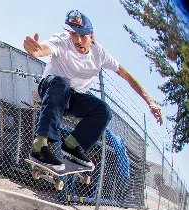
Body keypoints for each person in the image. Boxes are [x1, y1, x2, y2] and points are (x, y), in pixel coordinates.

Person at [23, 10, 163, 171]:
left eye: (83, 36)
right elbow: (43, 49)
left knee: (103, 110)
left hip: (74, 97)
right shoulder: (62, 41)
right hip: (51, 88)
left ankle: (71, 145)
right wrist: (36, 50)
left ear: (92, 37)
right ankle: (40, 146)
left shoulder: (100, 54)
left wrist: (150, 102)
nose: (79, 41)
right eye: (74, 34)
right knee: (61, 83)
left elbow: (126, 75)